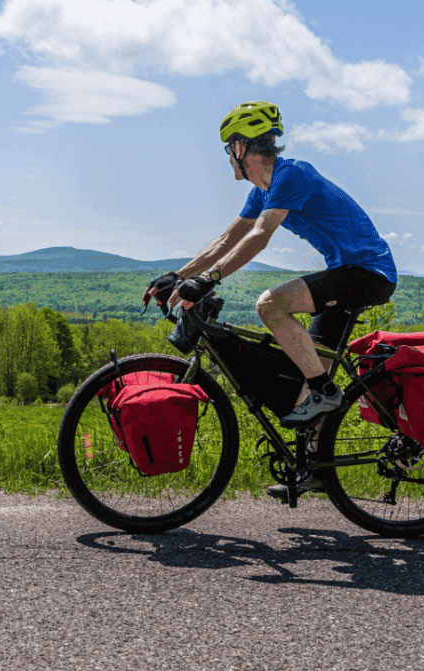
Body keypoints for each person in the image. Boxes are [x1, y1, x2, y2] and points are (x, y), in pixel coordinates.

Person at [144, 100, 397, 498]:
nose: (228, 158)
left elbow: (260, 235)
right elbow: (228, 239)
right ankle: (315, 468)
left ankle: (326, 393)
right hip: (347, 274)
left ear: (242, 149)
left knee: (270, 305)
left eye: (229, 149)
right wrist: (181, 275)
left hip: (368, 274)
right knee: (306, 367)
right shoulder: (264, 190)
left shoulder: (291, 174)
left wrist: (209, 280)